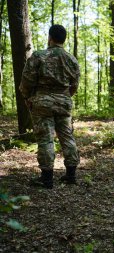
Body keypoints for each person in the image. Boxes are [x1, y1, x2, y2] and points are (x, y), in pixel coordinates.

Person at [19, 24, 80, 189]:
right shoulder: (72, 59)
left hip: (42, 102)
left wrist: (27, 97)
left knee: (46, 139)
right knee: (67, 137)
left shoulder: (39, 56)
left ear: (50, 37)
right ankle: (71, 175)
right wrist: (64, 96)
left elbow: (26, 81)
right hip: (64, 102)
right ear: (64, 39)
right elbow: (74, 85)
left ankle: (46, 179)